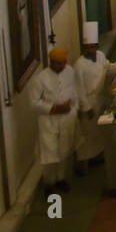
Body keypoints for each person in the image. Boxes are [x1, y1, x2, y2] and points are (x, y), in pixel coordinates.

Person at [30, 47, 79, 196]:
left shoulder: (70, 72)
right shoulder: (41, 79)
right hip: (49, 122)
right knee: (49, 154)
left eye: (63, 63)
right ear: (51, 62)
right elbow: (34, 103)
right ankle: (48, 184)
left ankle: (61, 179)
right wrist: (55, 108)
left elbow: (74, 92)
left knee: (63, 151)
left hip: (66, 119)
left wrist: (73, 109)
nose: (61, 66)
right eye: (58, 63)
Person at [73, 36, 116, 174]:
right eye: (87, 47)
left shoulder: (100, 56)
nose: (90, 50)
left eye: (92, 47)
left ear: (97, 46)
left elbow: (108, 68)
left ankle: (98, 157)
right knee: (86, 135)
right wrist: (86, 108)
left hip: (101, 99)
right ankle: (82, 166)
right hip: (89, 103)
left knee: (99, 132)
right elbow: (79, 88)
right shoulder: (79, 65)